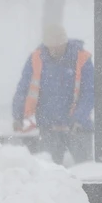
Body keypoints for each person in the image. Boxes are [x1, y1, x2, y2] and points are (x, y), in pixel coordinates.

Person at [12, 24, 94, 165]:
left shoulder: (82, 58)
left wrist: (79, 118)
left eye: (58, 46)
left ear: (65, 43)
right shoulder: (36, 58)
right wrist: (18, 115)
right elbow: (23, 89)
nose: (55, 50)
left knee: (85, 169)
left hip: (78, 128)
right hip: (49, 127)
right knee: (49, 172)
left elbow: (90, 92)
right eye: (51, 47)